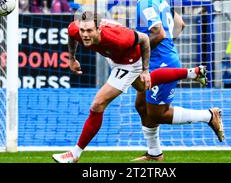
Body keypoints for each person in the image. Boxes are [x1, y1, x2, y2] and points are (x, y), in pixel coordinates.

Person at [52, 11, 209, 163]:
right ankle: (193, 73)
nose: (85, 35)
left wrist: (146, 70)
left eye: (89, 31)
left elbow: (145, 40)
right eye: (82, 30)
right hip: (114, 57)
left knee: (98, 104)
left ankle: (74, 154)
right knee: (142, 87)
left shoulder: (119, 37)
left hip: (130, 61)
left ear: (99, 29)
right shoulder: (75, 29)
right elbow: (72, 36)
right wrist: (72, 59)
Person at [127, 0, 225, 161]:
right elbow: (180, 23)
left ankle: (208, 115)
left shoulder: (144, 4)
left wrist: (140, 50)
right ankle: (154, 153)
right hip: (157, 60)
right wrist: (168, 47)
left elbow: (158, 33)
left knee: (158, 114)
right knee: (140, 105)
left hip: (160, 64)